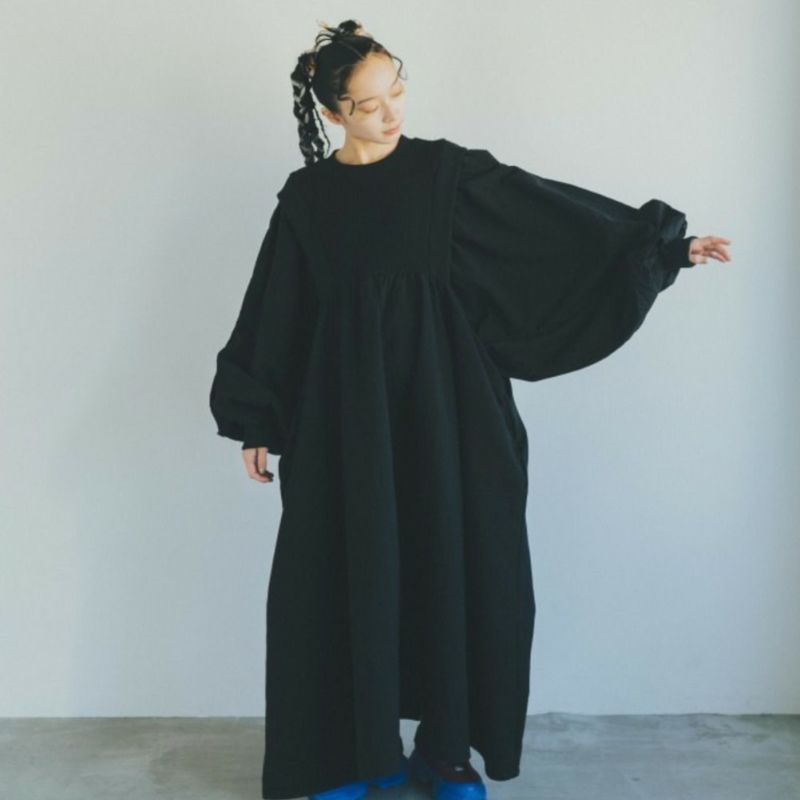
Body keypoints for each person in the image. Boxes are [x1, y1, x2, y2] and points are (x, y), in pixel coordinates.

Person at [208, 19, 732, 800]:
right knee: (344, 574)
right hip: (346, 426)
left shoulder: (446, 175)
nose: (392, 112)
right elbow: (279, 308)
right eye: (370, 104)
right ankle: (357, 756)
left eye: (397, 91)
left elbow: (552, 224)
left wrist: (660, 249)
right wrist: (257, 417)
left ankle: (446, 750)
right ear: (332, 113)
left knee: (456, 565)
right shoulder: (308, 200)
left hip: (454, 417)